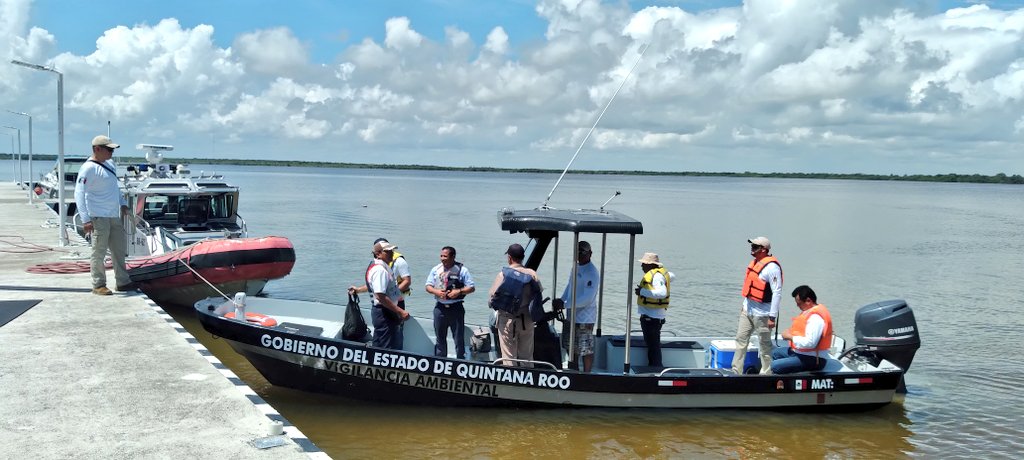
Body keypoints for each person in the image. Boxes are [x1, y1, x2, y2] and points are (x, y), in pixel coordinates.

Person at [74, 135, 133, 295]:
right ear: (97, 149)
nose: (111, 152)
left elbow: (114, 187)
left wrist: (122, 204)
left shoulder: (110, 164)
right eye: (109, 149)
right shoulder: (88, 168)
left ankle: (122, 281)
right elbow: (79, 193)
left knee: (119, 250)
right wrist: (85, 219)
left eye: (112, 149)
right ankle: (98, 284)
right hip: (98, 215)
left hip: (113, 214)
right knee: (98, 251)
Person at [733, 236, 783, 375]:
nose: (752, 248)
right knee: (740, 340)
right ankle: (736, 371)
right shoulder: (754, 263)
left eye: (755, 246)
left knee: (765, 345)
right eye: (752, 246)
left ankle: (766, 372)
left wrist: (772, 317)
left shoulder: (772, 268)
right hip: (747, 310)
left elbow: (777, 292)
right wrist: (744, 306)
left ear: (764, 250)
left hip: (763, 314)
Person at [487, 243, 543, 366]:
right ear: (523, 257)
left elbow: (491, 300)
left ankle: (510, 380)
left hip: (507, 320)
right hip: (526, 320)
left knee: (508, 358)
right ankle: (527, 381)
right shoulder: (532, 274)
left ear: (509, 257)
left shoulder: (503, 274)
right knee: (526, 357)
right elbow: (539, 292)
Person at [349, 240, 410, 349]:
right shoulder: (380, 270)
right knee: (386, 346)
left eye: (392, 251)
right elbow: (380, 296)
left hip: (384, 311)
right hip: (384, 312)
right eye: (388, 251)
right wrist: (400, 311)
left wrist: (358, 290)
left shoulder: (379, 266)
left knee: (381, 343)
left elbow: (375, 287)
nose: (391, 253)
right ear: (378, 254)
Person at [552, 241, 599, 372]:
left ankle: (586, 375)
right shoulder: (575, 267)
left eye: (582, 252)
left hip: (585, 318)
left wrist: (565, 304)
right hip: (570, 316)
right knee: (570, 347)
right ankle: (574, 371)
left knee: (586, 349)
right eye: (577, 252)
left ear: (590, 253)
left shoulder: (592, 273)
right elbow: (570, 286)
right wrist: (561, 300)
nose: (579, 255)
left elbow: (587, 299)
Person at [424, 246, 476, 359]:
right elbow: (428, 286)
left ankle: (460, 361)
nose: (442, 259)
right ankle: (440, 360)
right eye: (441, 256)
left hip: (456, 308)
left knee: (458, 338)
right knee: (440, 337)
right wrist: (436, 291)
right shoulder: (436, 269)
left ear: (453, 257)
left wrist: (459, 291)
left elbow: (471, 287)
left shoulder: (462, 270)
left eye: (445, 256)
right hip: (440, 308)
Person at [770, 285, 833, 374]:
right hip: (801, 353)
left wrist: (790, 337)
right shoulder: (808, 312)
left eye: (799, 303)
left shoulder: (816, 318)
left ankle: (783, 383)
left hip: (813, 359)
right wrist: (790, 332)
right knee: (775, 353)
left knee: (775, 365)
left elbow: (810, 343)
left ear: (808, 301)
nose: (797, 306)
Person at [350, 237, 411, 309]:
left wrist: (392, 294)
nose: (390, 252)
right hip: (383, 302)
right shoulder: (378, 265)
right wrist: (358, 290)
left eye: (390, 250)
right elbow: (377, 285)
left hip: (397, 301)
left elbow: (407, 281)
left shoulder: (399, 261)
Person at [634, 252, 671, 368]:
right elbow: (671, 276)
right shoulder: (660, 274)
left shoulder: (657, 276)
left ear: (651, 265)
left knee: (653, 347)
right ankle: (654, 367)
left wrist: (642, 292)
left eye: (644, 264)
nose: (642, 266)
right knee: (652, 346)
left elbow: (662, 293)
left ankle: (656, 369)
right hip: (652, 318)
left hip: (652, 319)